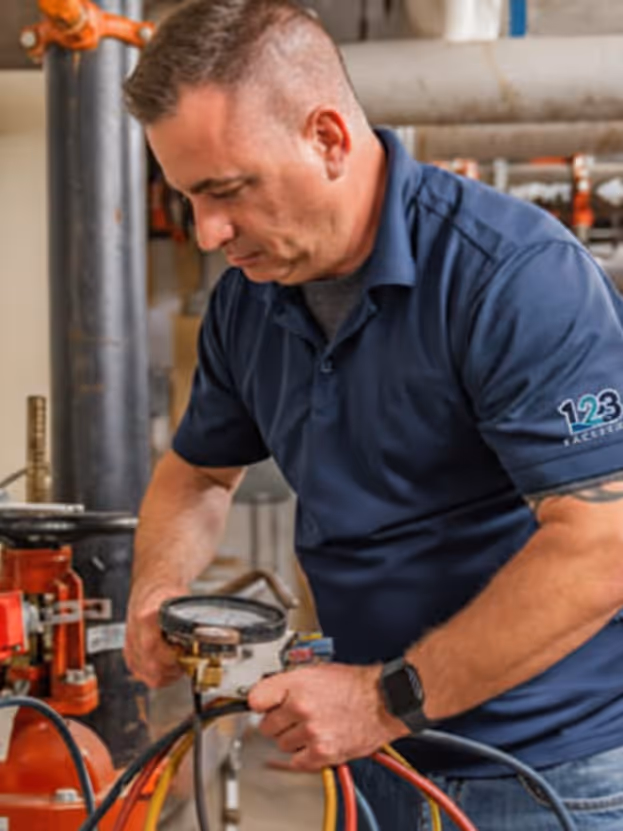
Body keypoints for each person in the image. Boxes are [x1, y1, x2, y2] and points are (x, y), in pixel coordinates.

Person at [122, 1, 623, 828]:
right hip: (373, 751)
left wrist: (382, 698)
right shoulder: (248, 299)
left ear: (326, 138)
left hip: (541, 769)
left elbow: (600, 545)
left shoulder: (513, 276)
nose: (209, 232)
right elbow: (199, 470)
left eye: (227, 190)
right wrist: (158, 586)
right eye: (186, 198)